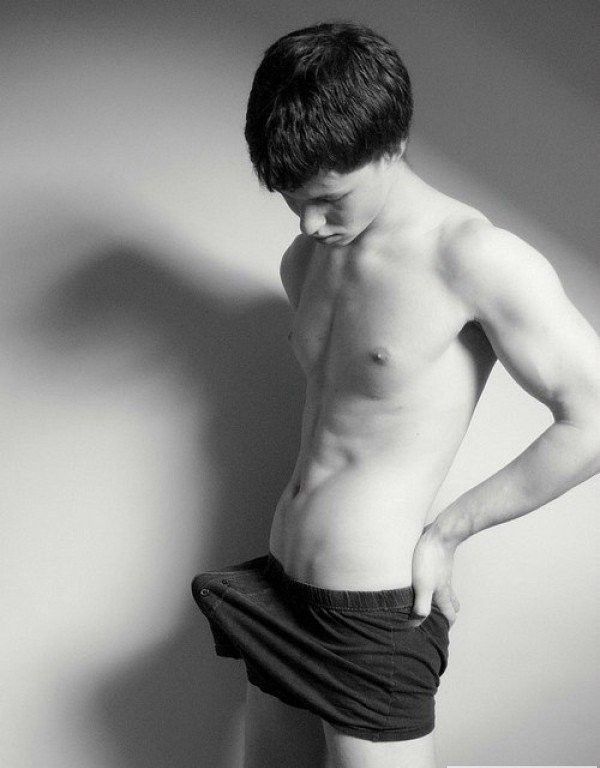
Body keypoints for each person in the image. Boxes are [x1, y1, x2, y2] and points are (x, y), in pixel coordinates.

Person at [191, 21, 600, 768]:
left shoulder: (472, 257)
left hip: (370, 610)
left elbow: (594, 417)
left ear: (392, 145)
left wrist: (449, 532)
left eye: (329, 198)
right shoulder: (305, 259)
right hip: (282, 586)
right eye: (292, 200)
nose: (310, 223)